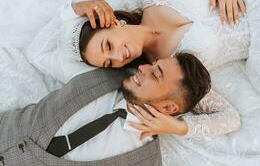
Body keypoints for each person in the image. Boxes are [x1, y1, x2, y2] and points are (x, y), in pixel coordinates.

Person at [27, 0, 242, 142]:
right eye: (110, 63)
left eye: (109, 46)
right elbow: (230, 118)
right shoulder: (168, 69)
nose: (119, 58)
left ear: (114, 22)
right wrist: (177, 127)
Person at [0, 53, 211, 165]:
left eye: (156, 74)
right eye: (152, 64)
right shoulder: (106, 68)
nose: (143, 68)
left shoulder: (145, 161)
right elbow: (41, 51)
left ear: (169, 107)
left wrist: (182, 127)